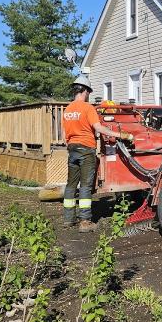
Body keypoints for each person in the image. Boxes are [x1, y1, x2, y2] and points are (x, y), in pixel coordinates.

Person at [62, 75, 132, 232]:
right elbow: (99, 128)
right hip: (86, 149)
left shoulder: (67, 109)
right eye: (88, 92)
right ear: (85, 91)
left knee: (71, 184)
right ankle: (85, 222)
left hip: (72, 149)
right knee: (86, 186)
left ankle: (68, 219)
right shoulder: (87, 108)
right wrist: (121, 135)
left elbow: (64, 134)